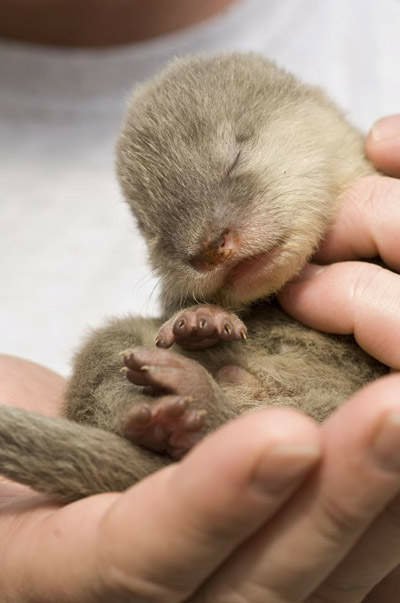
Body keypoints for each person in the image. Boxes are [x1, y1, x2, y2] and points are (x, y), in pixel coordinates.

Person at [1, 1, 400, 601]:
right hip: (208, 411)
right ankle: (188, 416)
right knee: (115, 346)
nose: (204, 248)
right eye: (157, 233)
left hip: (328, 403)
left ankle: (203, 417)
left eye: (236, 161)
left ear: (309, 108)